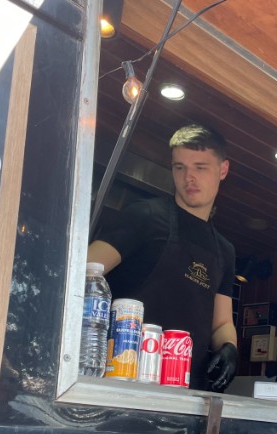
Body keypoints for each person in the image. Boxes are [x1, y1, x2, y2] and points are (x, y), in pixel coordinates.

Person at [88, 124, 238, 392]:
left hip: (189, 387)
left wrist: (229, 348)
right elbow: (84, 272)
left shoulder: (224, 250)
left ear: (223, 170)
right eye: (179, 167)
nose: (188, 177)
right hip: (126, 378)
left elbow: (223, 322)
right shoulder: (145, 217)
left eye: (200, 167)